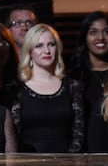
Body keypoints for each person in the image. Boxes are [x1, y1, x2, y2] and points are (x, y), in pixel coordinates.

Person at [10, 23, 84, 152]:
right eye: (39, 46)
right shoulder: (16, 89)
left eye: (51, 44)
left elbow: (79, 133)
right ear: (29, 51)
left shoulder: (72, 86)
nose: (47, 51)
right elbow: (14, 136)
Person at [68, 10, 108, 150]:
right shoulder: (74, 75)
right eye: (93, 32)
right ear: (85, 37)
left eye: (106, 31)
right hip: (83, 150)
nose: (100, 37)